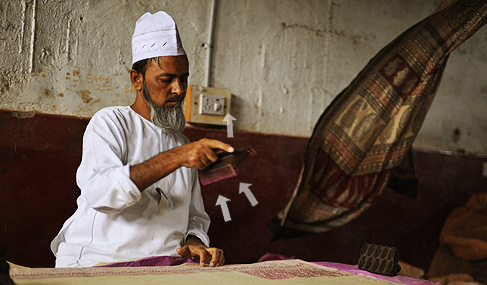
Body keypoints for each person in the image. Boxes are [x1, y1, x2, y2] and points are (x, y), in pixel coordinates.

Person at [51, 11, 233, 268]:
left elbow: (195, 216)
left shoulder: (183, 144)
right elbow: (101, 194)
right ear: (137, 80)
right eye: (166, 79)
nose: (179, 90)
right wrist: (177, 158)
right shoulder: (110, 122)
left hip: (164, 266)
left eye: (183, 79)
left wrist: (194, 240)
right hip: (100, 263)